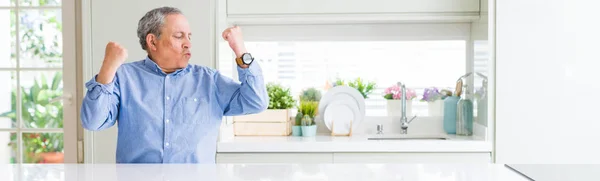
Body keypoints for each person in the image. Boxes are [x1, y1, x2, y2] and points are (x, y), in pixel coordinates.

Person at [80, 6, 268, 163]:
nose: (188, 44)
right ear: (152, 41)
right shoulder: (124, 77)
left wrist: (240, 51)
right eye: (179, 36)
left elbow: (256, 101)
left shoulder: (209, 80)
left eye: (189, 37)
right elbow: (93, 122)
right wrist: (107, 69)